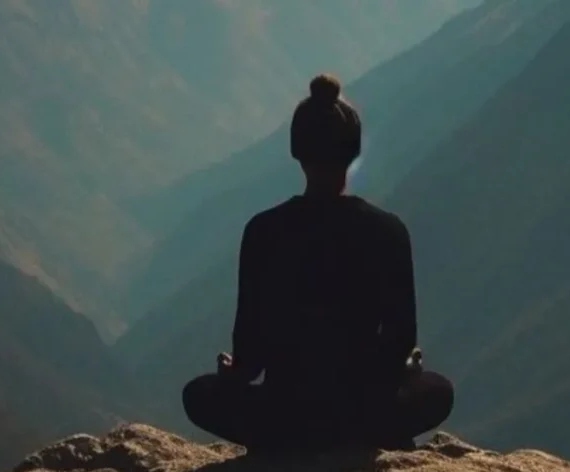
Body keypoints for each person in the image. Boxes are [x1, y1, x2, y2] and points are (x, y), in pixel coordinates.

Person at [182, 74, 454, 453]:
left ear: (297, 151)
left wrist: (234, 374)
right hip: (361, 414)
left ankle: (288, 440)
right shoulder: (388, 231)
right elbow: (399, 341)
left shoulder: (263, 231)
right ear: (353, 151)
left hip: (284, 415)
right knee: (438, 391)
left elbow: (250, 355)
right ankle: (365, 435)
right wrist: (404, 371)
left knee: (198, 395)